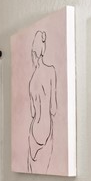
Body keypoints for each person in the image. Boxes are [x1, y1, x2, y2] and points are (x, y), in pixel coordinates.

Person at [27, 30, 58, 172]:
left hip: (34, 129)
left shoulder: (32, 81)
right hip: (46, 128)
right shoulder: (51, 71)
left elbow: (33, 112)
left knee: (34, 171)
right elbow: (53, 109)